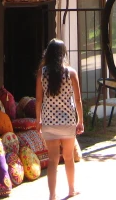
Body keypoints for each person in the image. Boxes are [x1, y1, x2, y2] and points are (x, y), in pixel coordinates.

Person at [35, 38, 83, 200]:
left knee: (53, 161)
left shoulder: (42, 73)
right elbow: (77, 100)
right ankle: (71, 190)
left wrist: (38, 120)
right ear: (63, 54)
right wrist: (80, 121)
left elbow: (39, 99)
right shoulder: (71, 73)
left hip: (49, 123)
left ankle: (52, 195)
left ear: (48, 53)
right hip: (68, 122)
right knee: (69, 158)